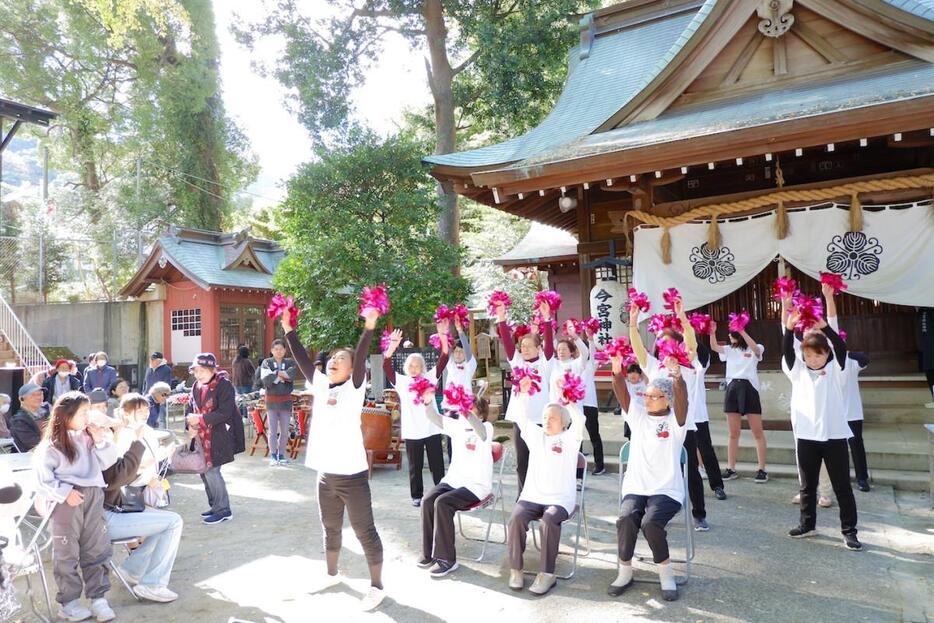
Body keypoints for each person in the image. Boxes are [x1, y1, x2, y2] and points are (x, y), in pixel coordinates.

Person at [283, 308, 386, 611]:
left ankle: (377, 586)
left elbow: (362, 354)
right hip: (325, 475)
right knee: (329, 528)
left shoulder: (354, 390)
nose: (333, 361)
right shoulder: (320, 385)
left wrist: (369, 329)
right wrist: (289, 329)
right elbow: (302, 358)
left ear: (354, 369)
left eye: (342, 359)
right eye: (332, 358)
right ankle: (331, 574)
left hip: (352, 477)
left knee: (365, 531)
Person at [33, 392, 119, 622]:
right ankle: (69, 603)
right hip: (66, 502)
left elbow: (109, 460)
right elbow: (42, 479)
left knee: (96, 546)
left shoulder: (89, 436)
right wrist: (64, 493)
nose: (87, 416)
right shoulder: (51, 446)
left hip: (93, 497)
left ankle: (98, 599)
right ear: (66, 415)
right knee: (66, 552)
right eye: (82, 412)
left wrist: (100, 439)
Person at [609, 357, 689, 602]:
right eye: (646, 395)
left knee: (650, 523)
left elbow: (682, 401)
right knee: (626, 518)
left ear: (666, 399)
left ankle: (666, 574)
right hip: (637, 486)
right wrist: (616, 370)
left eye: (653, 396)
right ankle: (624, 571)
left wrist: (677, 378)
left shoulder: (676, 422)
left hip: (666, 490)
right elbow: (622, 393)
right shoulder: (638, 417)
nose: (647, 399)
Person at [629, 300, 711, 531]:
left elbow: (692, 343)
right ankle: (659, 510)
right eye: (662, 344)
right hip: (658, 428)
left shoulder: (689, 365)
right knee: (659, 467)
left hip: (685, 427)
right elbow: (638, 350)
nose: (665, 347)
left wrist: (683, 319)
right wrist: (633, 325)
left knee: (691, 471)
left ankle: (699, 514)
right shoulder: (654, 366)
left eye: (670, 342)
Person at [782, 311, 861, 550]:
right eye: (807, 355)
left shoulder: (837, 371)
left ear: (826, 354)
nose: (812, 359)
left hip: (834, 436)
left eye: (817, 355)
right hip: (807, 438)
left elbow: (840, 346)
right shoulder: (798, 372)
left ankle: (849, 531)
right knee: (807, 486)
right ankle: (807, 525)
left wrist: (825, 327)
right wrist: (788, 329)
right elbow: (787, 352)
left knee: (842, 487)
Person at [506, 375, 584, 596]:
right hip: (532, 496)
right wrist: (522, 394)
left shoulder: (571, 438)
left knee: (549, 520)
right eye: (545, 417)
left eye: (552, 418)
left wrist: (567, 398)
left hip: (559, 500)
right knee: (516, 518)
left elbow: (580, 420)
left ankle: (547, 574)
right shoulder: (536, 435)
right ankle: (516, 569)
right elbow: (521, 418)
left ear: (563, 422)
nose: (547, 421)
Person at [103, 393, 182, 603]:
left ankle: (132, 569)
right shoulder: (121, 434)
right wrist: (145, 467)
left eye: (147, 409)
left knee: (164, 524)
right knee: (171, 523)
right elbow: (123, 473)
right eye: (140, 410)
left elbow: (151, 459)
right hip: (124, 499)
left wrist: (163, 455)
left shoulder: (145, 430)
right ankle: (152, 583)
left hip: (142, 490)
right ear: (126, 413)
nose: (145, 413)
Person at [417, 390, 493, 578]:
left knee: (442, 503)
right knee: (427, 501)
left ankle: (446, 560)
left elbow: (482, 434)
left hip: (476, 486)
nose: (465, 412)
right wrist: (427, 402)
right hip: (453, 481)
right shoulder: (456, 426)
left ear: (481, 414)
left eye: (472, 409)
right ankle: (429, 554)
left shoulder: (487, 427)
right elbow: (433, 416)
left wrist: (466, 411)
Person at [383, 325, 450, 506]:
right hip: (413, 430)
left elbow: (444, 357)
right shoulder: (401, 382)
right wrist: (392, 345)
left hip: (432, 427)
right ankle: (416, 496)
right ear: (406, 367)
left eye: (417, 365)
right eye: (411, 365)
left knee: (437, 464)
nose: (414, 368)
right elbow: (386, 365)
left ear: (422, 367)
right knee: (415, 466)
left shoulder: (429, 377)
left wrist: (443, 336)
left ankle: (440, 491)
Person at [496, 299, 556, 495]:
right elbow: (506, 342)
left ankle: (542, 496)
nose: (525, 349)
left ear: (539, 348)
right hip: (522, 421)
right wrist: (502, 318)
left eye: (530, 345)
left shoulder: (546, 363)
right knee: (522, 462)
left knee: (541, 461)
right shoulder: (518, 364)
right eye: (523, 345)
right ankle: (523, 497)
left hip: (541, 420)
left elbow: (548, 346)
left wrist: (547, 319)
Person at [822, 284, 871, 492]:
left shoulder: (852, 362)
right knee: (834, 449)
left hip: (851, 412)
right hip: (833, 412)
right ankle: (837, 481)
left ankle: (862, 478)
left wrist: (829, 299)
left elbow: (864, 358)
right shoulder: (825, 362)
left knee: (856, 445)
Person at [185, 353, 242, 525]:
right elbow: (190, 408)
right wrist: (190, 426)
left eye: (202, 370)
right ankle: (215, 505)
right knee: (204, 472)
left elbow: (225, 412)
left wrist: (200, 420)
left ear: (212, 369)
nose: (198, 374)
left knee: (212, 471)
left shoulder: (224, 386)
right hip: (200, 436)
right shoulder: (196, 385)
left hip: (219, 436)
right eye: (196, 370)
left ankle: (223, 510)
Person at [709, 320, 768, 483]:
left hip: (749, 389)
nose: (729, 335)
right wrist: (712, 332)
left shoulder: (756, 347)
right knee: (733, 433)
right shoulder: (728, 350)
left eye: (732, 333)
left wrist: (742, 331)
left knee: (757, 432)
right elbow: (714, 347)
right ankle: (731, 468)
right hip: (733, 388)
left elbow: (756, 350)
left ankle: (762, 469)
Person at [692, 341, 727, 500]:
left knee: (706, 451)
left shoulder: (698, 365)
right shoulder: (669, 365)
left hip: (698, 416)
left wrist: (688, 331)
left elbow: (704, 351)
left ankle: (717, 485)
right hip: (677, 418)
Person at [441, 316, 477, 461]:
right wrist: (446, 329)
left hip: (465, 408)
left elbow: (468, 351)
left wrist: (460, 331)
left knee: (465, 437)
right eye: (456, 352)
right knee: (450, 439)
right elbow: (447, 349)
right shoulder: (450, 365)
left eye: (460, 352)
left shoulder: (470, 366)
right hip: (449, 408)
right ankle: (452, 464)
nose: (458, 354)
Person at [260, 339, 297, 466]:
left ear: (285, 350)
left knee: (285, 430)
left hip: (286, 401)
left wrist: (275, 374)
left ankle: (281, 454)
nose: (279, 351)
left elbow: (292, 375)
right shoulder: (267, 362)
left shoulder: (290, 362)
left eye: (281, 349)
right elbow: (265, 379)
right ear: (271, 351)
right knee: (272, 430)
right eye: (276, 349)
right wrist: (282, 376)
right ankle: (273, 455)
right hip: (271, 401)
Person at [10, 383, 48, 452]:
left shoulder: (47, 414)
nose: (38, 397)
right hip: (27, 459)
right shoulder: (19, 420)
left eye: (40, 394)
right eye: (33, 395)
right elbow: (33, 443)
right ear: (22, 399)